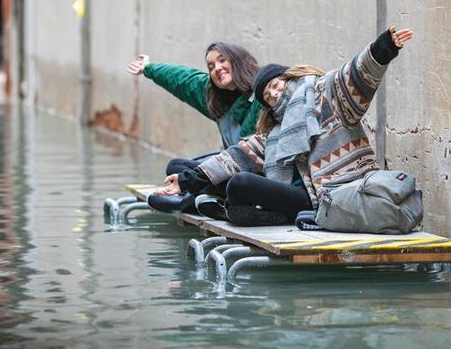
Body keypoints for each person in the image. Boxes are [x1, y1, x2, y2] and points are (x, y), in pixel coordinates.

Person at [156, 26, 413, 225]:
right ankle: (232, 207)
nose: (275, 95)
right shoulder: (275, 129)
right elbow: (237, 156)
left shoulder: (327, 96)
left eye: (276, 86)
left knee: (239, 185)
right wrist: (186, 180)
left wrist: (383, 48)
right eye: (268, 96)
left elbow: (355, 75)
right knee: (238, 182)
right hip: (298, 197)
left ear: (289, 77)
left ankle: (226, 209)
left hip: (335, 195)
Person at [127, 42, 263, 212]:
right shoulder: (217, 98)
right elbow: (184, 80)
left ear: (239, 61)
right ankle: (203, 198)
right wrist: (149, 68)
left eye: (222, 61)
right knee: (176, 166)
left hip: (255, 173)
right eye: (211, 66)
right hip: (228, 169)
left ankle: (194, 200)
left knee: (237, 182)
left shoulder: (263, 91)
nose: (217, 68)